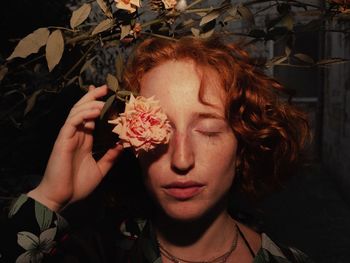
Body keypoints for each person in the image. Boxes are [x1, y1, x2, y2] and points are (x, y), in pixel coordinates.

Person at [1, 36, 312, 263]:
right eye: (159, 132)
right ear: (134, 145)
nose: (181, 159)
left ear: (243, 145)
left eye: (208, 130)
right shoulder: (92, 254)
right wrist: (50, 197)